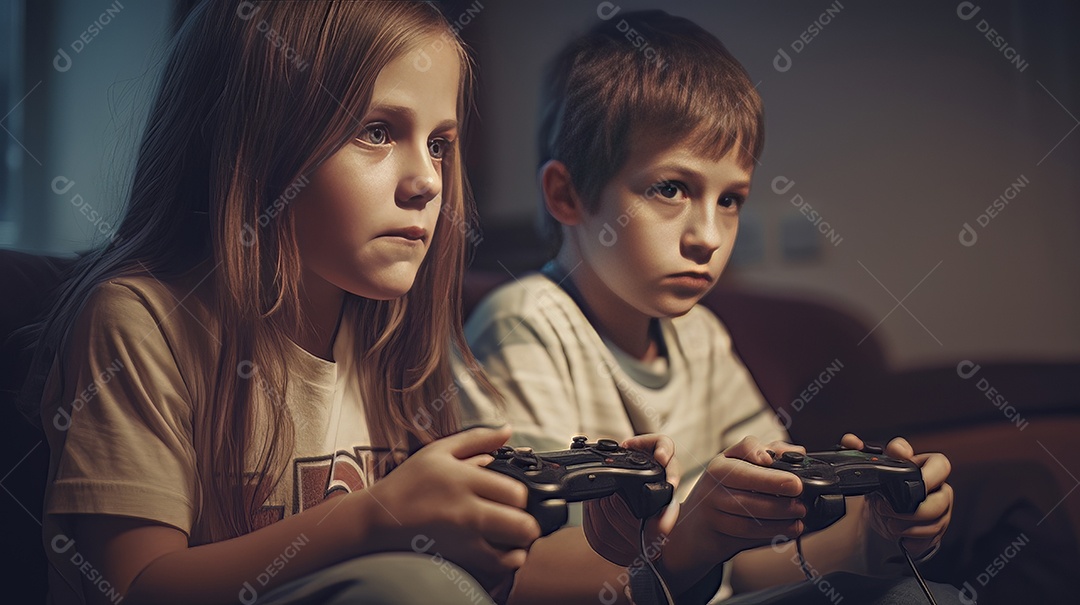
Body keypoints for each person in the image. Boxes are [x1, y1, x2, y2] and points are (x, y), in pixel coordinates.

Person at [24, 2, 675, 604]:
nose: (425, 181)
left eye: (440, 144)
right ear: (257, 143)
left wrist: (642, 555)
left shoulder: (395, 333)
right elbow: (133, 585)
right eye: (376, 131)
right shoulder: (141, 321)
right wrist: (374, 516)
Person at [457, 10, 958, 604]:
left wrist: (865, 539)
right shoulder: (527, 324)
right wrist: (686, 545)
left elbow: (743, 570)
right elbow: (520, 576)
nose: (710, 237)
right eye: (671, 189)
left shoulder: (701, 337)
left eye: (731, 200)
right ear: (567, 194)